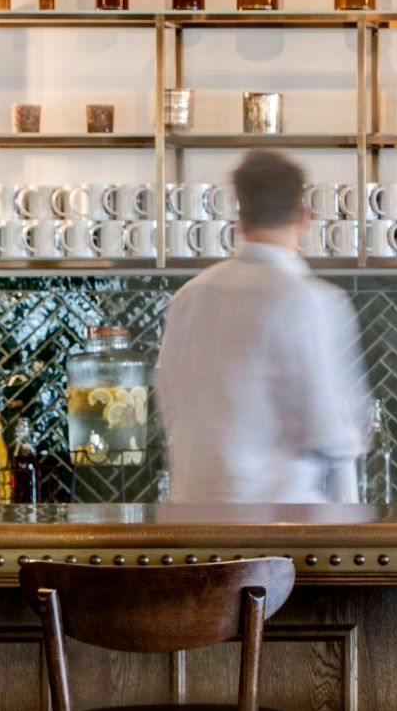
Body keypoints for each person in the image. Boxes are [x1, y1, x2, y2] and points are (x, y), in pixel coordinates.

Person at [157, 151, 371, 504]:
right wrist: (353, 436)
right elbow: (327, 427)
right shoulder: (308, 300)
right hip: (280, 531)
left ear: (239, 220)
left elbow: (170, 407)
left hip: (192, 524)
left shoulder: (188, 298)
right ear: (305, 218)